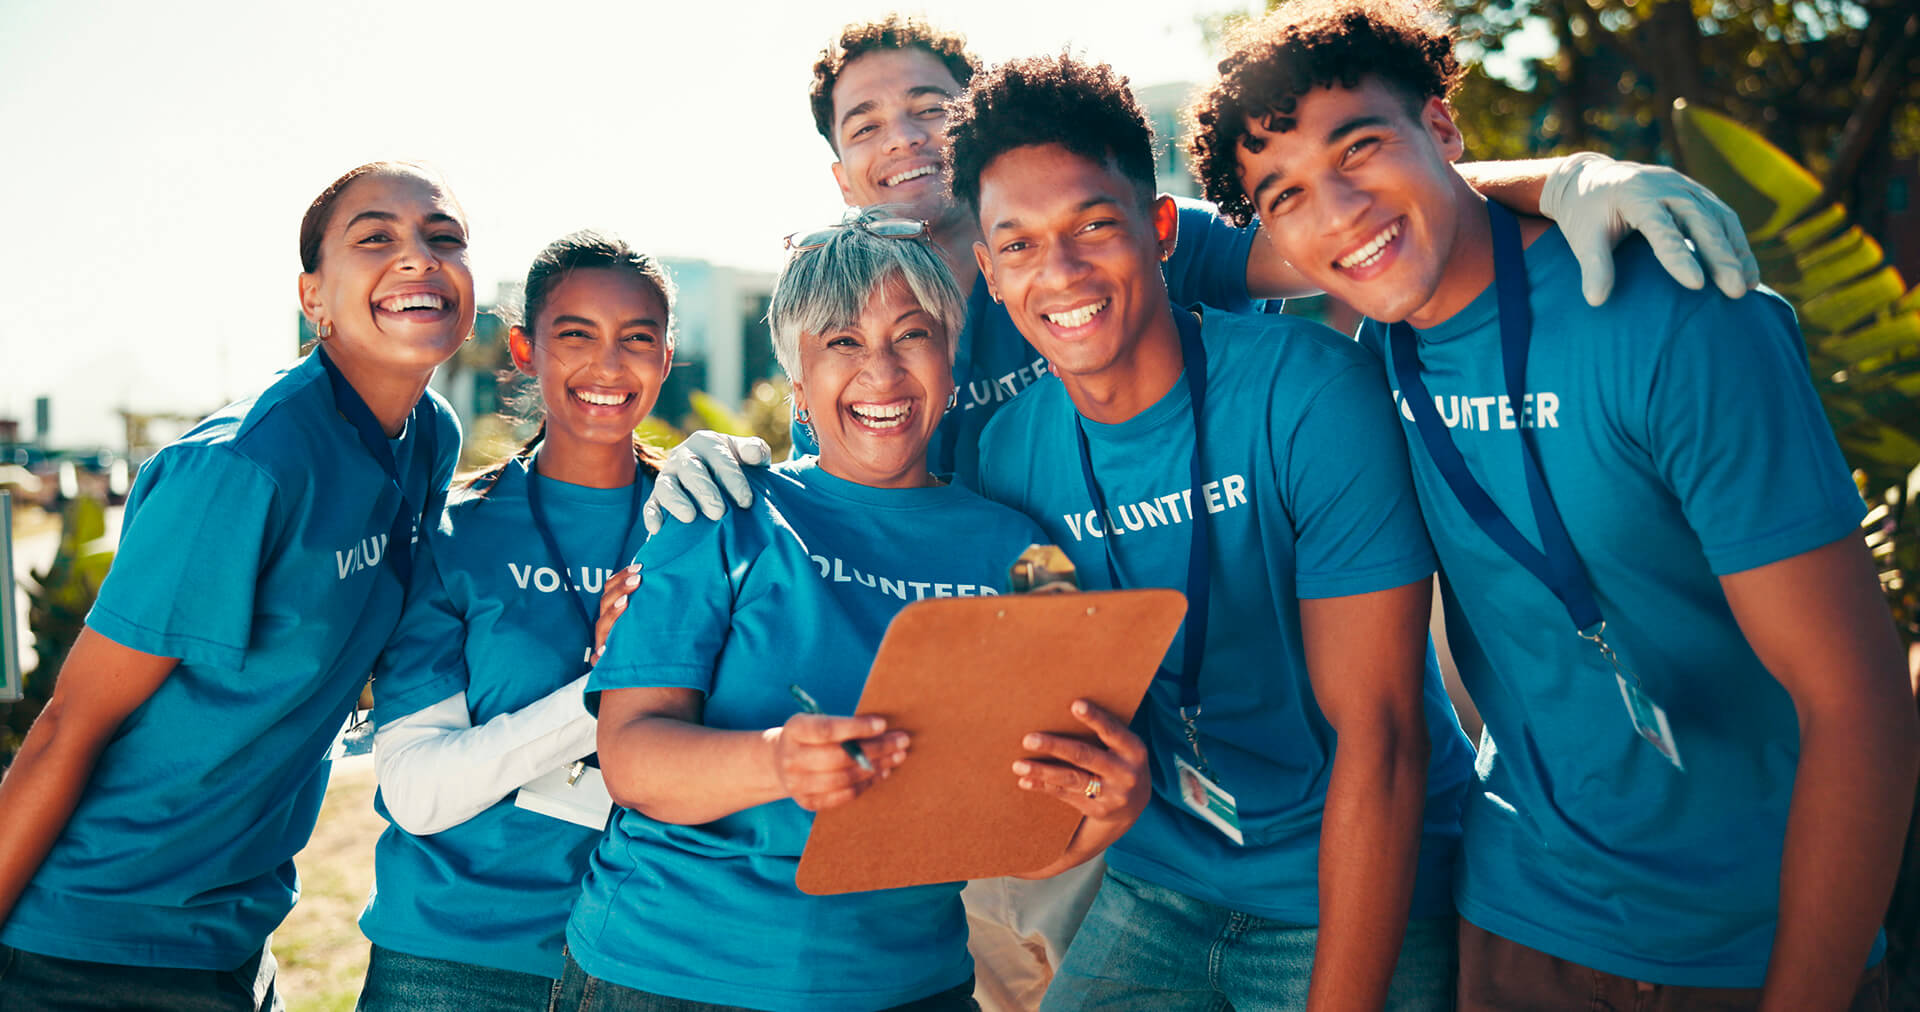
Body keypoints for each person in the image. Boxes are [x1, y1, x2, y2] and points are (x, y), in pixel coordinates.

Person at [1187, 2, 1918, 1007]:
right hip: (1517, 923)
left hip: (1747, 944)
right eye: (1287, 197)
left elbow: (1862, 703)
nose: (1340, 211)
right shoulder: (1377, 352)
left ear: (1444, 130)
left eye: (1361, 147)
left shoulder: (1678, 320)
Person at [949, 54, 1473, 1010]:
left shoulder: (1310, 394)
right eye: (1017, 246)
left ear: (1158, 229)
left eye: (1092, 227)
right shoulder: (1006, 459)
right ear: (987, 271)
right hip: (1164, 884)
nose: (1058, 273)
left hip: (1354, 874)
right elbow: (1058, 675)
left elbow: (1385, 735)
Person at [551, 214, 1150, 1012]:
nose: (882, 372)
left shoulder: (1030, 556)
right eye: (841, 343)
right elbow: (629, 760)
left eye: (911, 335)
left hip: (912, 987)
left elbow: (1016, 831)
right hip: (669, 974)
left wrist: (1108, 812)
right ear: (798, 381)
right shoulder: (721, 511)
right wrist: (777, 763)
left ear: (949, 355)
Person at [0, 160, 471, 1010]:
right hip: (93, 943)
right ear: (313, 298)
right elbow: (68, 724)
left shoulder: (428, 437)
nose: (417, 258)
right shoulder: (238, 469)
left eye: (444, 240)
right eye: (376, 239)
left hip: (233, 932)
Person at [352, 231, 674, 1010]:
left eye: (638, 338)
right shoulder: (455, 531)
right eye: (576, 336)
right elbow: (420, 793)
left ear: (666, 357)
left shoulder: (703, 526)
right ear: (525, 349)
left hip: (650, 958)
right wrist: (605, 690)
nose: (608, 365)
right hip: (455, 962)